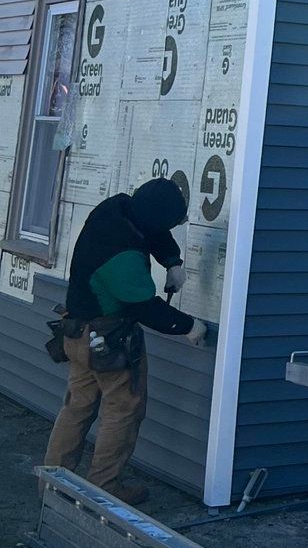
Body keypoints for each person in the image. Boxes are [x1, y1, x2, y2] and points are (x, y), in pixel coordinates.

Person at [44, 178, 208, 504]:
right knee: (123, 410)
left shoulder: (118, 207)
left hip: (77, 331)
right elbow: (144, 307)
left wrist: (172, 261)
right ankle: (105, 489)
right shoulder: (122, 258)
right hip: (107, 341)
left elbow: (152, 229)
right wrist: (188, 325)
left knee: (77, 406)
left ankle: (52, 483)